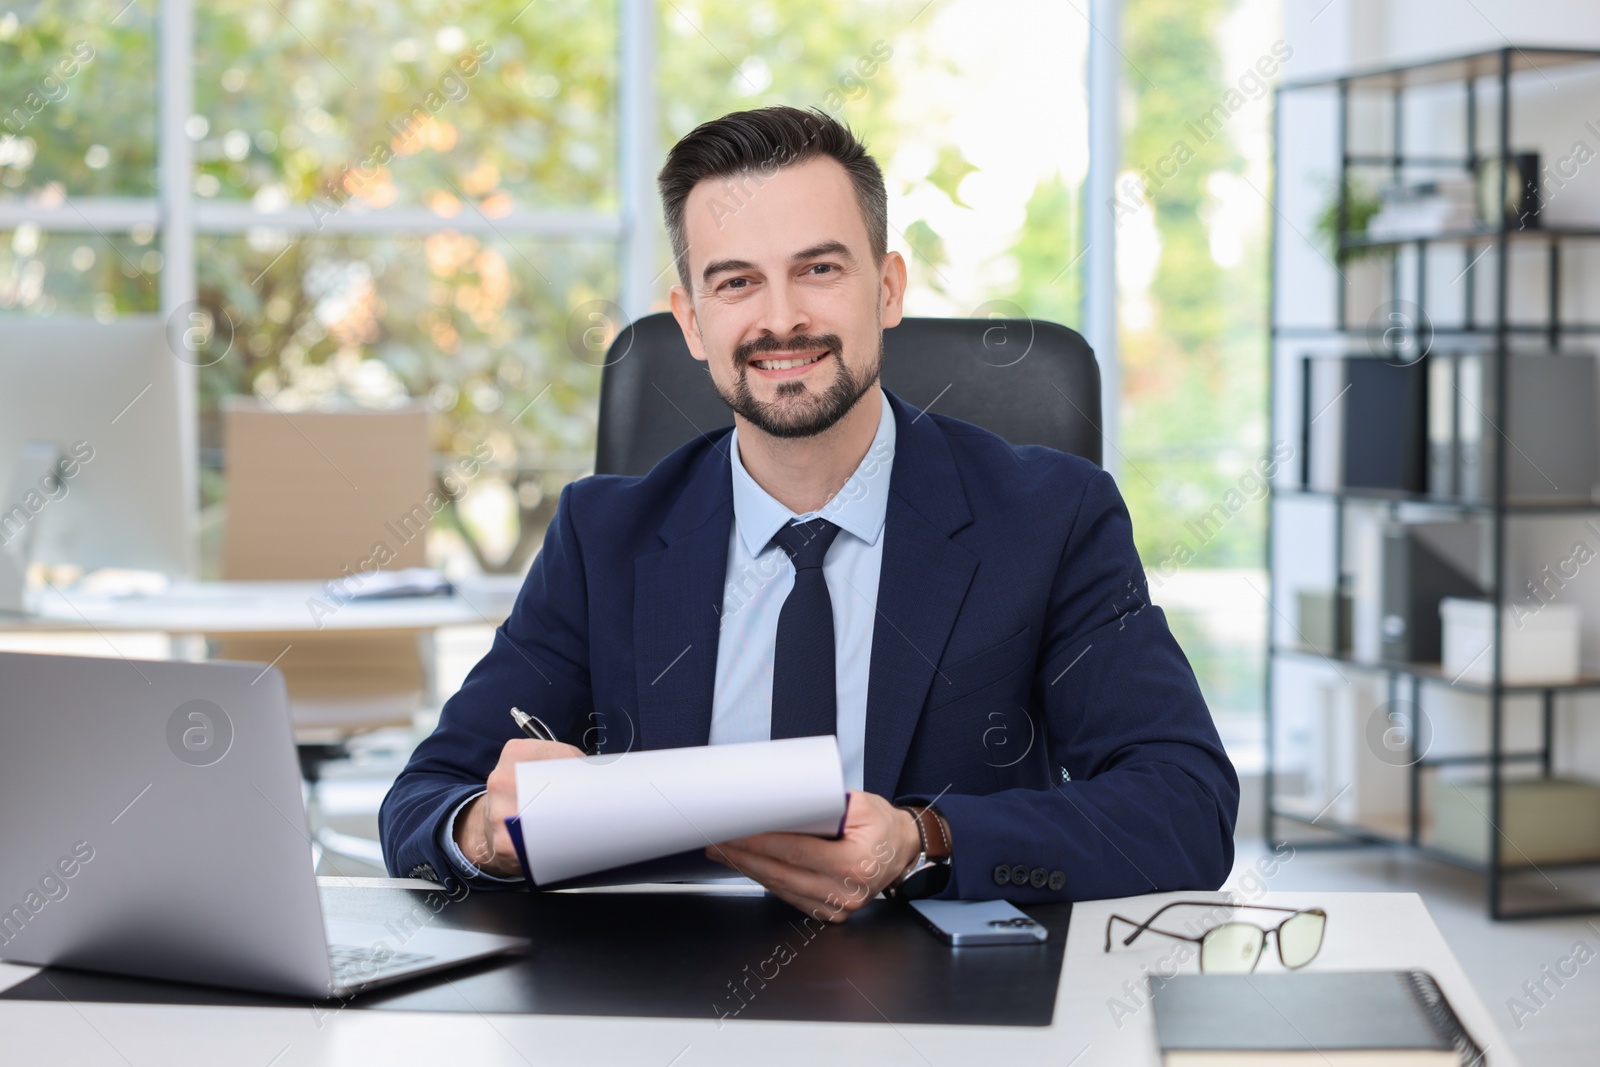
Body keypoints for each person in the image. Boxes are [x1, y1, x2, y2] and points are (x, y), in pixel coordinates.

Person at [380, 105, 1238, 921]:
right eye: (737, 282)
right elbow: (423, 800)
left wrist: (924, 841)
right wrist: (484, 833)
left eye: (819, 269)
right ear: (691, 320)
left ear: (888, 289)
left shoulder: (1051, 517)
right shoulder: (603, 536)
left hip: (945, 1007)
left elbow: (1186, 803)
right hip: (657, 997)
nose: (780, 317)